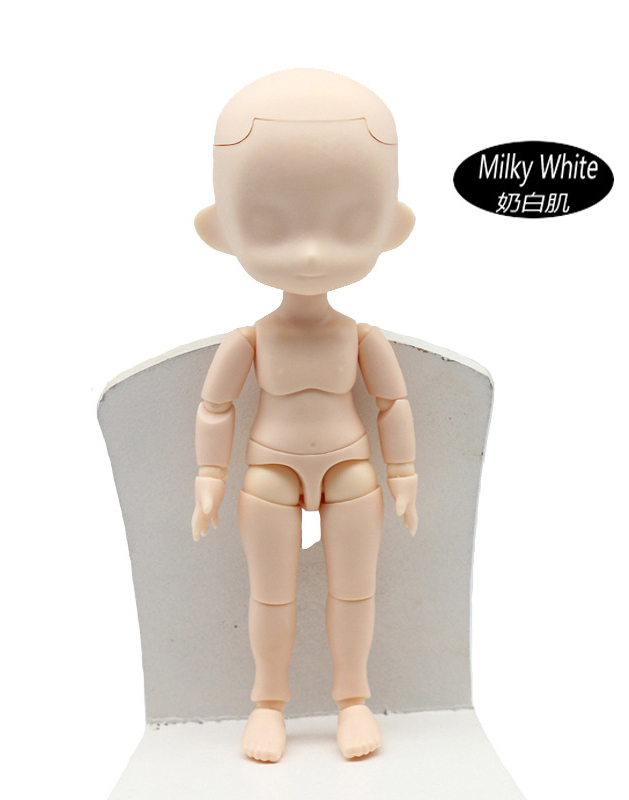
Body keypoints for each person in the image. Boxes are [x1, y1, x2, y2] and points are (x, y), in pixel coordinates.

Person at [191, 69, 418, 762]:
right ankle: (268, 703)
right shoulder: (252, 340)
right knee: (272, 597)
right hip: (270, 471)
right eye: (268, 223)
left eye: (350, 222)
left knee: (355, 593)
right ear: (219, 228)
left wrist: (404, 473)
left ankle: (354, 698)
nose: (313, 252)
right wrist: (209, 477)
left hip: (350, 468)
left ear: (393, 225)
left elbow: (393, 403)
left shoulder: (361, 338)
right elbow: (215, 406)